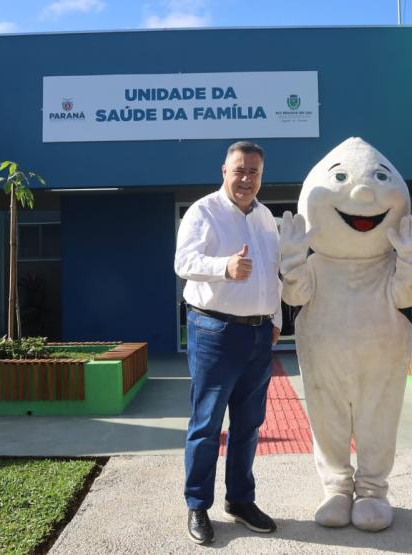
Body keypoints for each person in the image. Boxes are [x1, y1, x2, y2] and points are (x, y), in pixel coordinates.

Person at [174, 141, 282, 545]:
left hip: (257, 334)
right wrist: (224, 267)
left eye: (254, 172)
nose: (247, 179)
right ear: (224, 170)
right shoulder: (204, 211)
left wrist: (274, 318)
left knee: (249, 424)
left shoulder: (266, 216)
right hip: (214, 332)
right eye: (240, 170)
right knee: (206, 424)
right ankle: (198, 504)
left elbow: (272, 272)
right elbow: (182, 262)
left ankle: (240, 500)